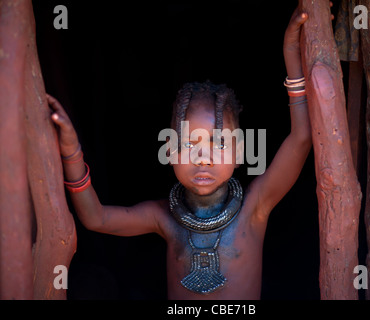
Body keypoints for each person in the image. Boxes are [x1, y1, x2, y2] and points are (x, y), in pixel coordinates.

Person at [48, 6, 329, 299]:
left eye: (219, 144)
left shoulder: (254, 208)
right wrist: (71, 152)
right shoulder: (164, 218)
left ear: (239, 151)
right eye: (188, 144)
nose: (203, 158)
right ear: (169, 150)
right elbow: (96, 218)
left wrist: (290, 49)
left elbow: (301, 138)